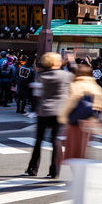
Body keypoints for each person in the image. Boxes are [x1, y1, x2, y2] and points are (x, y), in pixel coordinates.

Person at [25, 52, 72, 180]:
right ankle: (55, 171)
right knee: (56, 140)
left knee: (39, 140)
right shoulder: (66, 76)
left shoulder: (40, 76)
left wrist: (34, 109)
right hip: (60, 111)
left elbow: (36, 94)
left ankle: (32, 169)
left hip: (44, 110)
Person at [61, 59, 102, 162]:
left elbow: (70, 102)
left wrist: (63, 116)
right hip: (88, 121)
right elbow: (99, 104)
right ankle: (81, 167)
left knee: (72, 146)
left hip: (74, 121)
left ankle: (73, 169)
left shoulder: (75, 85)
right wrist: (96, 118)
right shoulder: (95, 86)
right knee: (83, 147)